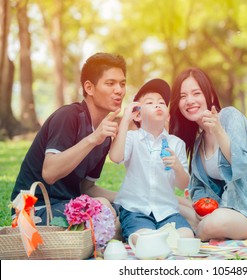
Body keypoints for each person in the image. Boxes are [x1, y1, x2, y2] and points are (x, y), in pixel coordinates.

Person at [169, 67, 247, 241]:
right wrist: (202, 207)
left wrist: (218, 130)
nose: (190, 100)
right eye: (183, 96)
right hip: (222, 211)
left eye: (196, 93)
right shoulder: (199, 142)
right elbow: (199, 188)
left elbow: (240, 165)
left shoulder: (230, 117)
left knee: (213, 223)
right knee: (167, 202)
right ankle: (200, 226)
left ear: (208, 96)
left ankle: (199, 230)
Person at [10, 52, 127, 226]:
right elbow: (49, 173)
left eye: (122, 84)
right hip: (34, 210)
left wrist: (127, 198)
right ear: (89, 88)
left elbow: (86, 188)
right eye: (110, 83)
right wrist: (93, 139)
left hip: (69, 206)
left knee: (129, 208)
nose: (119, 90)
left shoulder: (104, 132)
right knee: (103, 210)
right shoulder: (68, 116)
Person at [109, 78, 194, 243]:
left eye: (161, 102)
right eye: (149, 102)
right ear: (138, 115)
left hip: (167, 212)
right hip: (135, 210)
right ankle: (151, 238)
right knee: (143, 237)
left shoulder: (176, 144)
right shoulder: (131, 138)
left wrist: (177, 166)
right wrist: (125, 120)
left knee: (187, 236)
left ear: (167, 115)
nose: (157, 104)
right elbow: (115, 157)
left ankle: (155, 240)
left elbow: (183, 185)